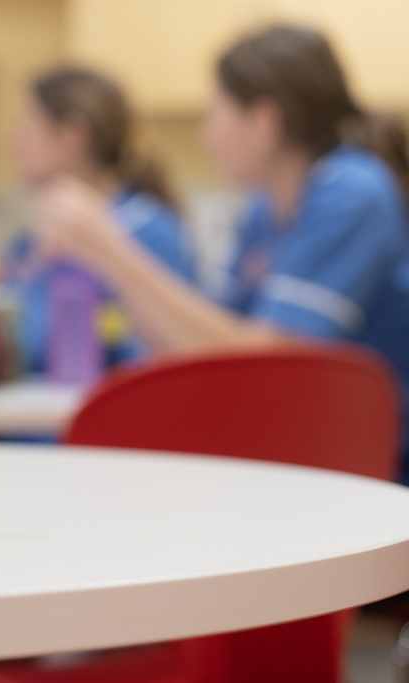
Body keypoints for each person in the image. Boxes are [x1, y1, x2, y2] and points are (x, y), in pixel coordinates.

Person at [35, 25, 409, 481]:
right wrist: (108, 260)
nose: (206, 137)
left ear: (265, 121)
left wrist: (113, 250)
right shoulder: (263, 208)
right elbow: (205, 352)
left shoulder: (352, 191)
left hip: (369, 466)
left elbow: (276, 366)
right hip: (298, 451)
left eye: (215, 116)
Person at [5, 66, 196, 372]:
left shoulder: (151, 234)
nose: (12, 143)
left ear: (72, 135)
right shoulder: (28, 244)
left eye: (26, 125)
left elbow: (166, 361)